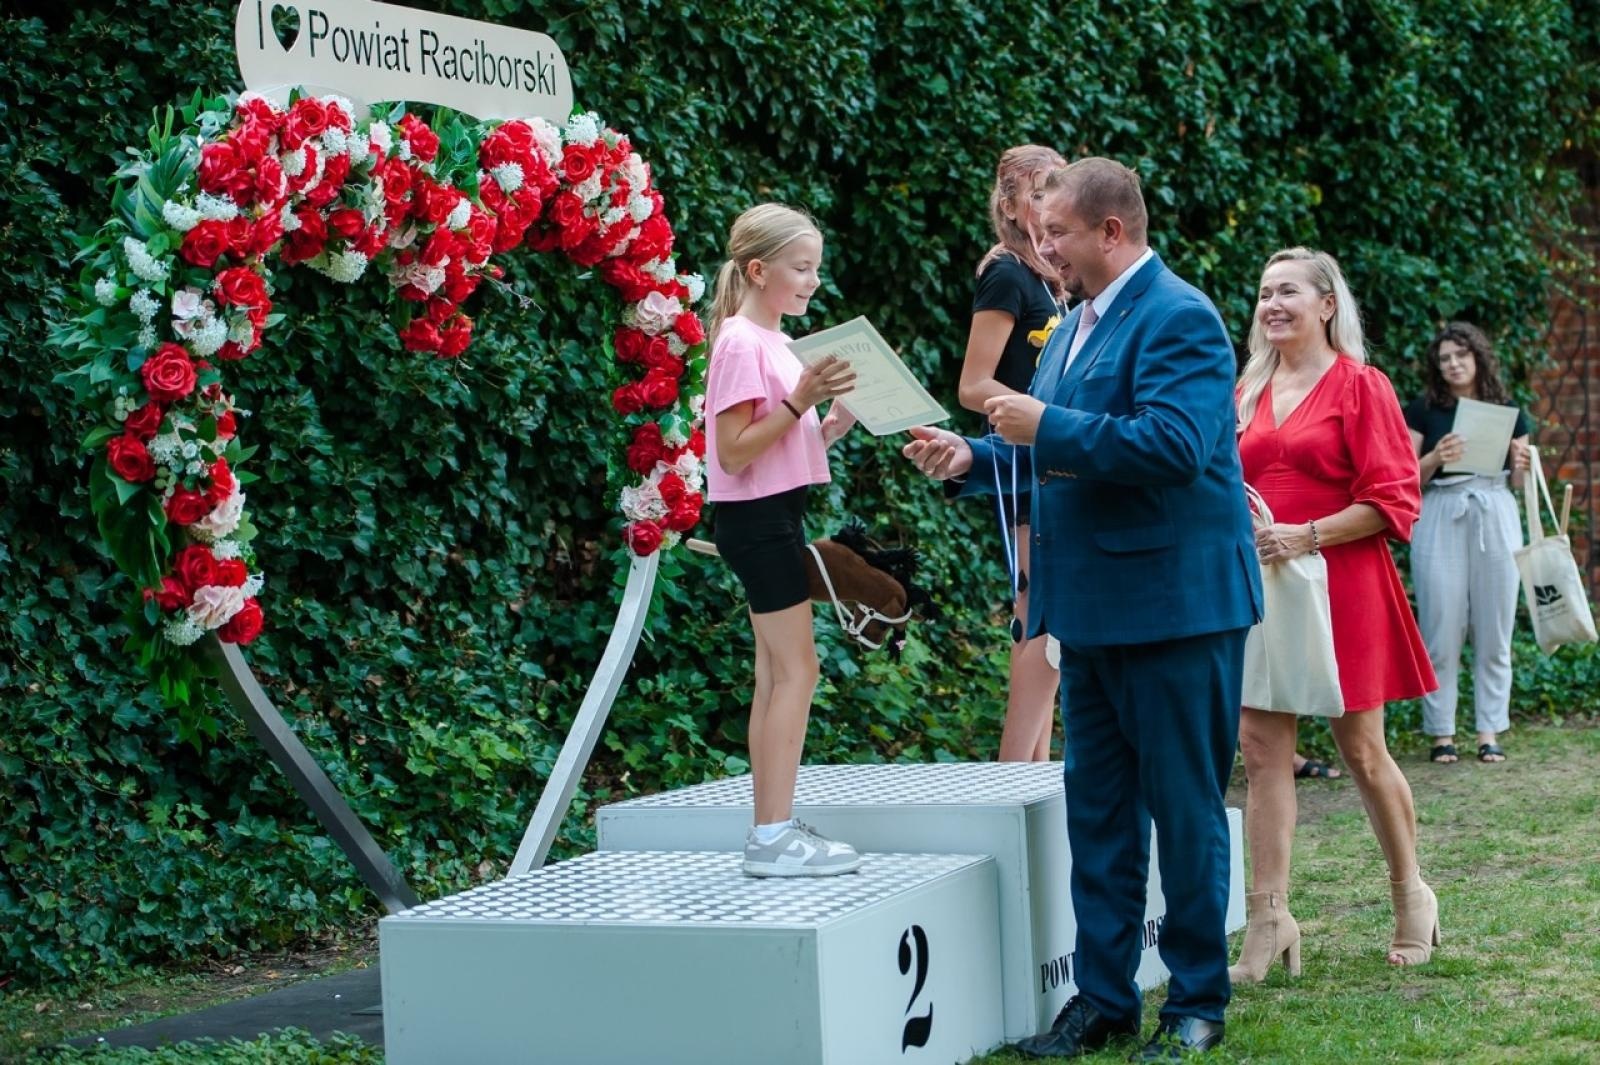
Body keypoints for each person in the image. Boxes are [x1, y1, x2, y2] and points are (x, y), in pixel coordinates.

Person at [904, 158, 1260, 1061]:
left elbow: (1177, 447)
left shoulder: (1181, 315)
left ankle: (1195, 1002)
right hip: (1089, 608)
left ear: (1112, 230)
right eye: (1037, 231)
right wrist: (974, 458)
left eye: (1056, 231)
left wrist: (1040, 427)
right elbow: (1049, 445)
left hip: (1178, 605)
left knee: (1183, 811)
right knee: (1097, 815)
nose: (1040, 246)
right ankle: (1103, 999)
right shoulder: (1067, 331)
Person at [1231, 247, 1440, 985]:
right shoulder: (1248, 387)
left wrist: (1307, 533)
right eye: (1263, 292)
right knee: (1262, 751)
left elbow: (1394, 499)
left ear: (1327, 304)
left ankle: (1411, 892)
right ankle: (1268, 916)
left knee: (1362, 748)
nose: (1272, 303)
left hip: (1343, 581)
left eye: (1288, 290)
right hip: (1266, 586)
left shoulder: (1362, 386)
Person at [704, 203, 862, 877]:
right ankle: (770, 835)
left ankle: (771, 826)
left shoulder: (772, 342)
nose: (812, 281)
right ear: (757, 270)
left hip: (772, 517)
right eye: (801, 268)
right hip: (758, 522)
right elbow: (735, 452)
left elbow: (774, 444)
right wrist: (800, 402)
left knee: (776, 675)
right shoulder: (742, 341)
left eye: (816, 269)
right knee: (799, 671)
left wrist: (827, 424)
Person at [957, 144, 1066, 761]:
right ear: (1012, 202)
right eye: (1041, 190)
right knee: (1041, 613)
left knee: (1047, 612)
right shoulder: (1006, 274)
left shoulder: (1052, 276)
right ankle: (1011, 775)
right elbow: (974, 384)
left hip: (1055, 459)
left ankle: (1038, 772)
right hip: (1027, 460)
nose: (1052, 201)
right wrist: (1055, 420)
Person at [1405, 322, 1531, 764]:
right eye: (1445, 358)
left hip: (1494, 509)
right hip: (1442, 509)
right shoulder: (1423, 410)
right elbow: (1405, 480)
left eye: (1462, 354)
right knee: (1440, 625)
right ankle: (1441, 733)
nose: (1454, 364)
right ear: (1437, 367)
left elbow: (1519, 482)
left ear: (1478, 357)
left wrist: (1523, 462)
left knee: (1495, 627)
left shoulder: (1509, 410)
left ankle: (1489, 729)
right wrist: (1437, 457)